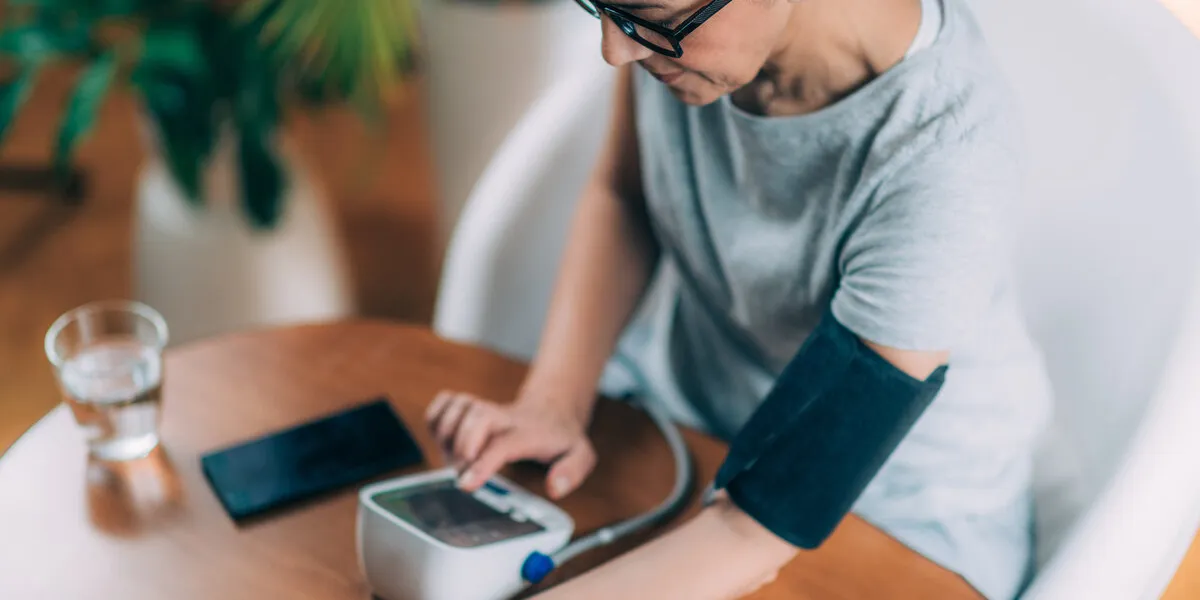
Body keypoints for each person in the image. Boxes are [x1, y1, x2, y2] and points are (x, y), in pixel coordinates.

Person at [426, 0, 1053, 597]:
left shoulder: (949, 159)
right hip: (691, 425)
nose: (615, 51)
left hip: (890, 509)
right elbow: (625, 194)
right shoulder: (674, 44)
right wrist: (554, 402)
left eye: (649, 17)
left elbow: (761, 522)